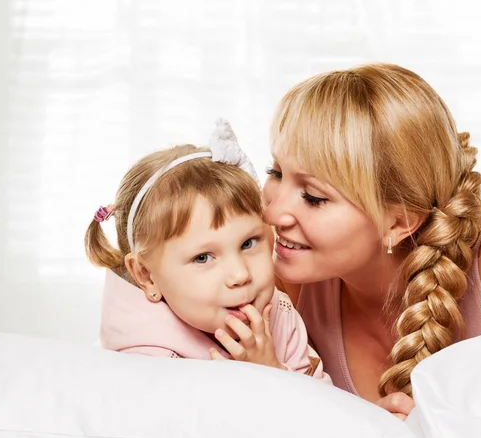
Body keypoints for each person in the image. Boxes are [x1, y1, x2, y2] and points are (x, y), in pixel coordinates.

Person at [262, 63, 481, 418]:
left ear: (399, 223)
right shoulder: (281, 275)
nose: (272, 213)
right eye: (276, 173)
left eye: (313, 197)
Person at [84, 119, 330, 382]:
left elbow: (329, 410)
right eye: (203, 257)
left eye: (248, 243)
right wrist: (258, 384)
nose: (240, 275)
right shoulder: (143, 359)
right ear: (146, 275)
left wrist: (275, 372)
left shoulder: (274, 312)